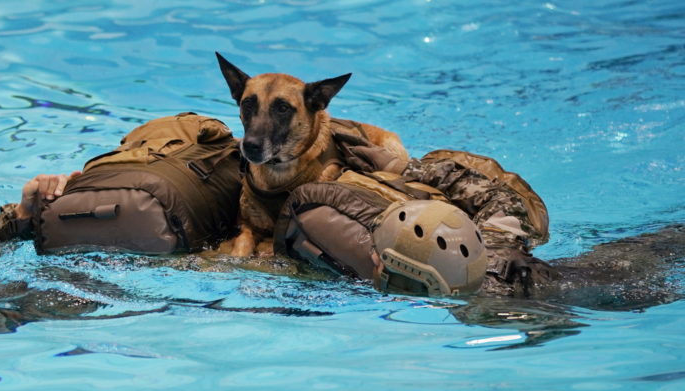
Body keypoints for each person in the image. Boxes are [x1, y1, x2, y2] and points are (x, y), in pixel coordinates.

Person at [275, 146, 684, 305]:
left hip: (621, 287)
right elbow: (499, 199)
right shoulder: (494, 247)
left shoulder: (493, 310)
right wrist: (409, 167)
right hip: (618, 264)